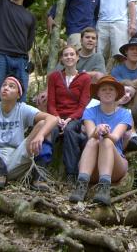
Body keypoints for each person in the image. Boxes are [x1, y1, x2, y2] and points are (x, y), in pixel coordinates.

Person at [0, 76, 57, 190]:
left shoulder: (23, 109)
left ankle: (39, 176)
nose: (6, 88)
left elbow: (53, 119)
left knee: (43, 125)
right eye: (4, 85)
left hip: (14, 162)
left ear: (18, 95)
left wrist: (40, 135)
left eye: (11, 86)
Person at [69, 75, 132, 205]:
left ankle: (104, 188)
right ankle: (81, 186)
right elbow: (91, 134)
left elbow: (115, 137)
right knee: (93, 140)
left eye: (111, 89)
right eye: (103, 89)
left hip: (115, 166)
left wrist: (105, 132)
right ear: (98, 93)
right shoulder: (90, 112)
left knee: (106, 140)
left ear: (116, 94)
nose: (107, 92)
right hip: (91, 168)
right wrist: (97, 130)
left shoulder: (125, 113)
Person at [47, 46, 92, 184]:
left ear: (77, 57)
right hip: (56, 116)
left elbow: (83, 105)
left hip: (75, 117)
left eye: (72, 54)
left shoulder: (85, 78)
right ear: (61, 58)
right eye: (65, 55)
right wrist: (57, 118)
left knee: (70, 130)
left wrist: (69, 119)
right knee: (50, 130)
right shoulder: (54, 77)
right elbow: (51, 103)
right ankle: (43, 168)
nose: (69, 57)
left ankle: (71, 173)